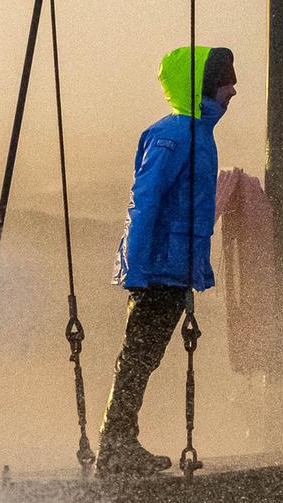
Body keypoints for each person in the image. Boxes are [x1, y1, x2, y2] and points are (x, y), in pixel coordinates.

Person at [96, 45, 236, 476]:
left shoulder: (198, 134)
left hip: (173, 269)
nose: (233, 90)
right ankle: (115, 444)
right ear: (204, 87)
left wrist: (196, 270)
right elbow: (145, 200)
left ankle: (119, 441)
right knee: (138, 356)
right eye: (225, 82)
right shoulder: (173, 136)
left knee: (144, 356)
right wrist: (135, 268)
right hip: (157, 269)